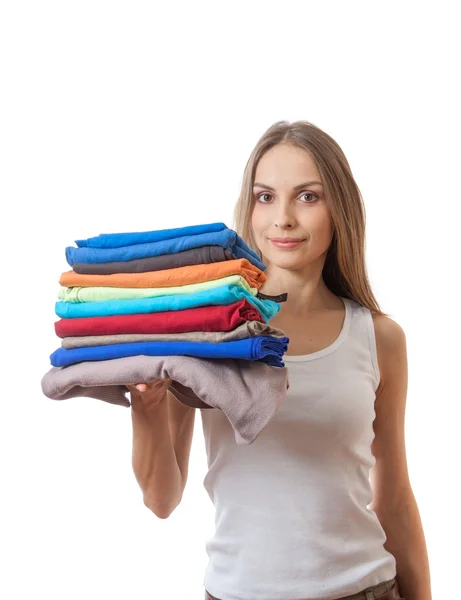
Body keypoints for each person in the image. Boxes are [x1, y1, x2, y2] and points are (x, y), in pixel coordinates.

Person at [127, 121, 431, 600]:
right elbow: (162, 499)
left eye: (308, 197)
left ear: (340, 209)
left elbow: (393, 497)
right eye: (265, 196)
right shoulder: (205, 328)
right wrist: (145, 409)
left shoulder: (379, 338)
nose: (282, 219)